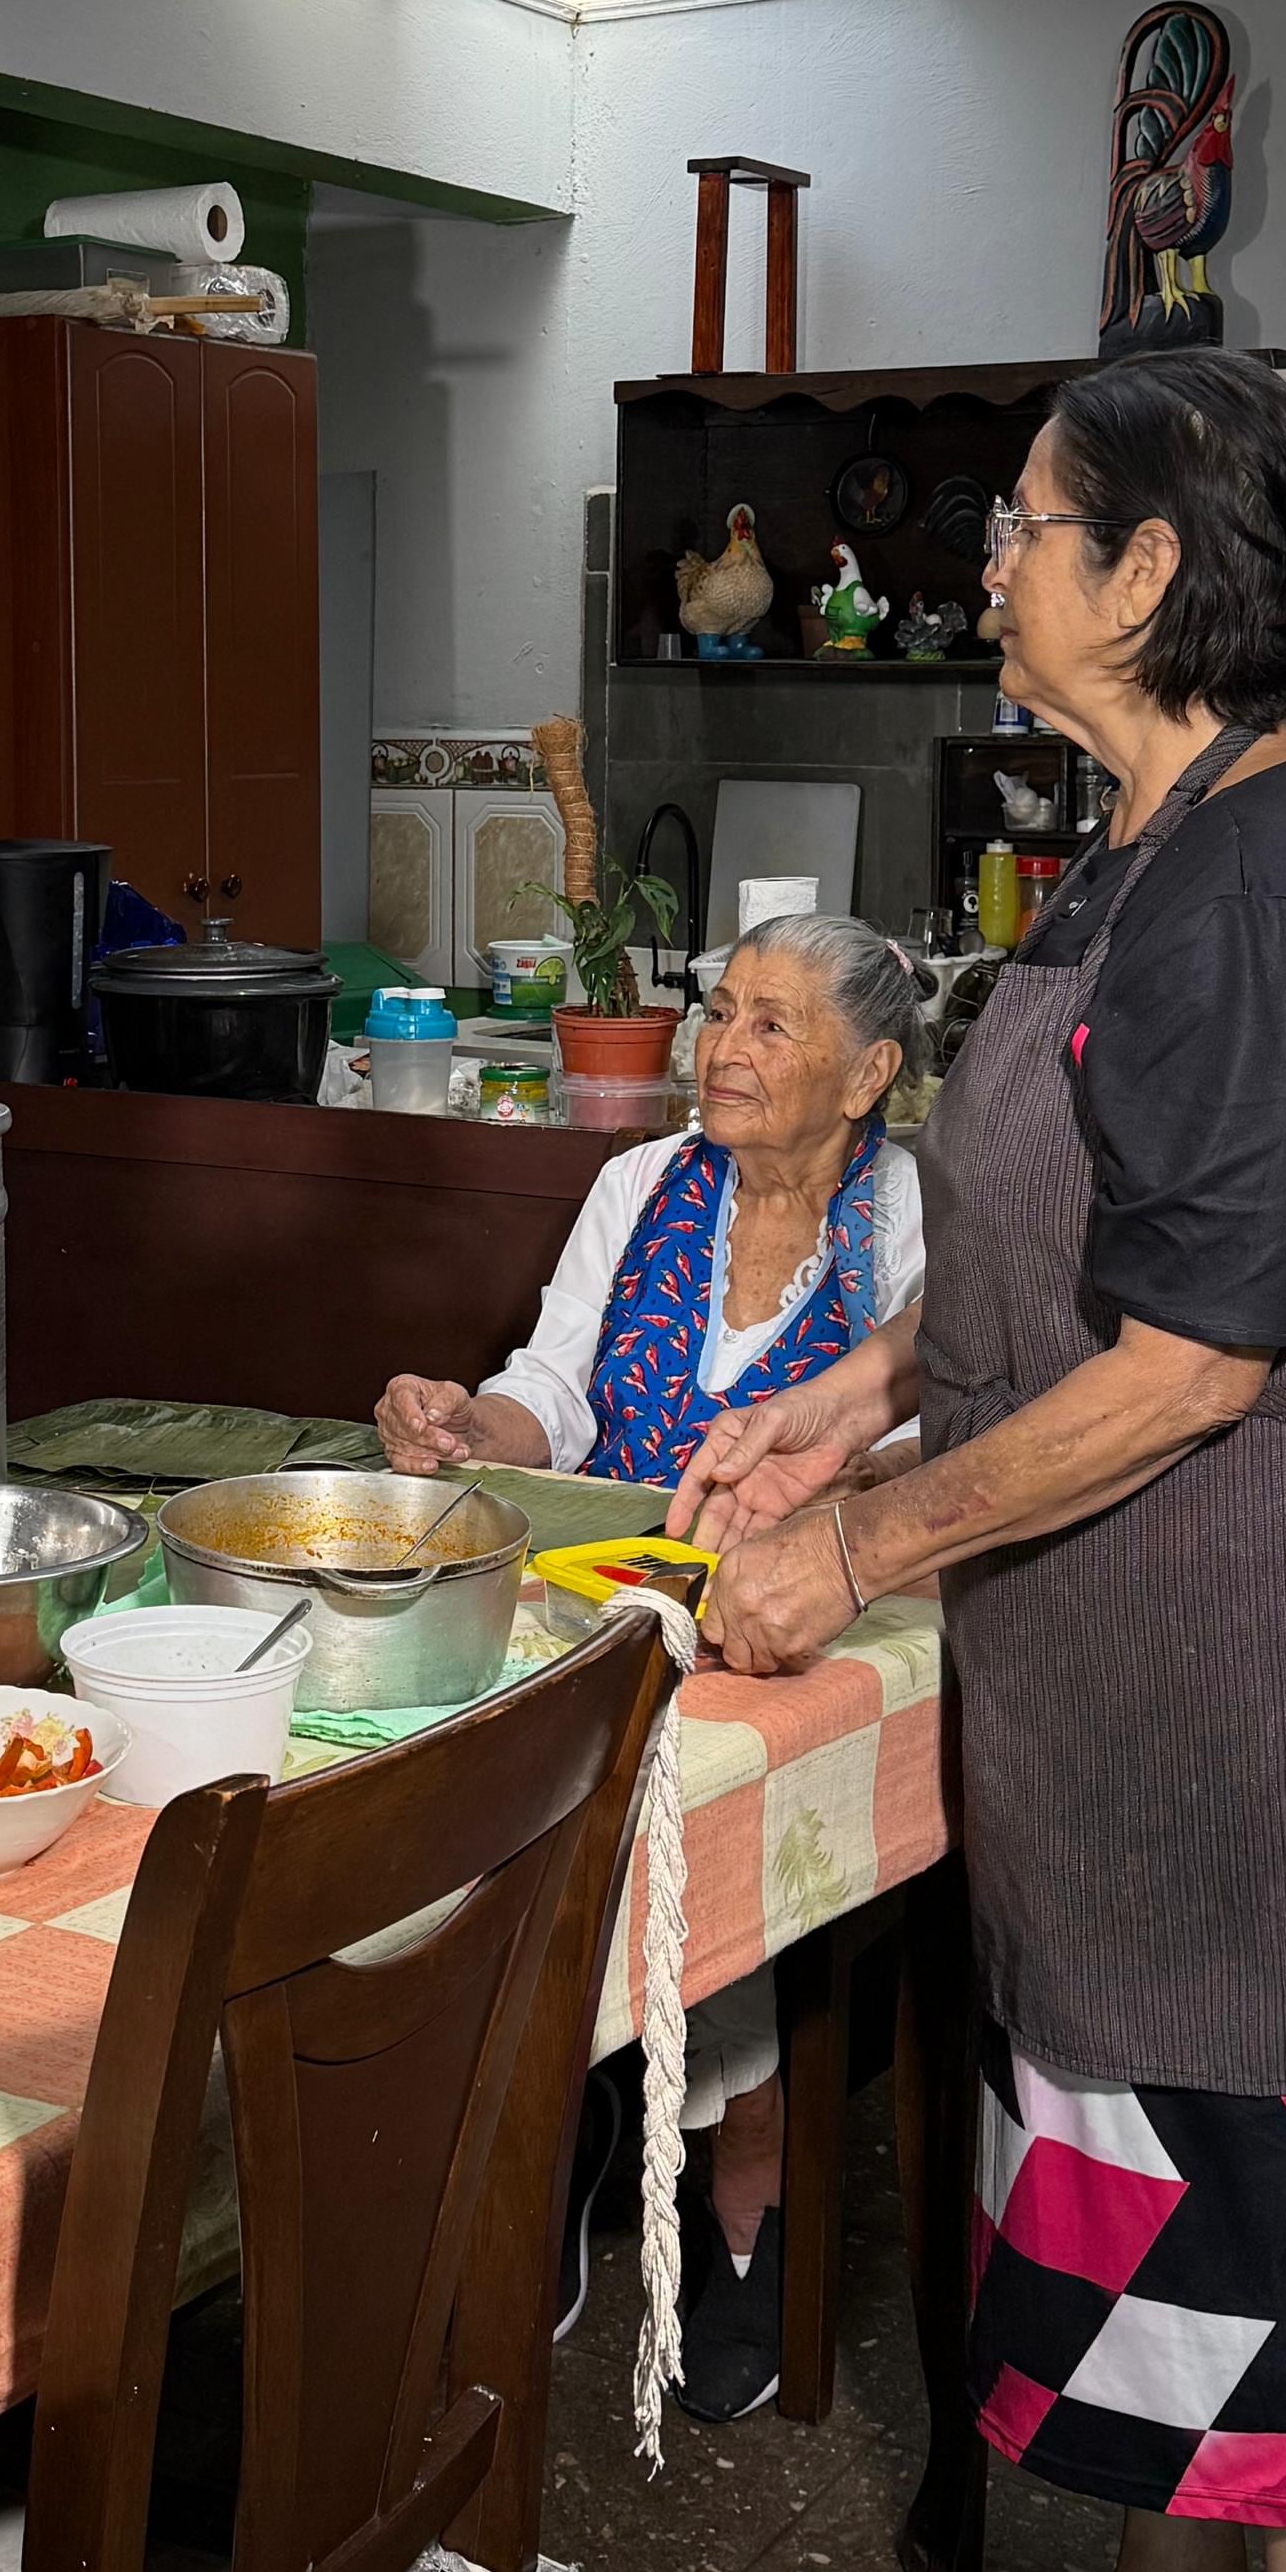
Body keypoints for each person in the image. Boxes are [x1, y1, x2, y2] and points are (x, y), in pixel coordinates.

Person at [668, 351, 1286, 2572]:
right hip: (1140, 1600)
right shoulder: (1155, 831)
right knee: (1142, 2098)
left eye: (1026, 524)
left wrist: (863, 1542)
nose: (988, 563)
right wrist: (854, 1390)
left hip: (1283, 1597)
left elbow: (1199, 1353)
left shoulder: (1268, 871)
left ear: (1147, 573)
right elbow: (1076, 1220)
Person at [375, 910, 927, 2418]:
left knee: (712, 1789)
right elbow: (552, 1390)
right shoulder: (642, 1183)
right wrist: (465, 1426)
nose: (722, 1047)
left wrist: (816, 1510)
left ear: (868, 1075)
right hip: (609, 1592)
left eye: (770, 1025)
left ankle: (747, 2139)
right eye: (719, 1010)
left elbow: (931, 1444)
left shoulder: (910, 1220)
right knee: (500, 1765)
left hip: (800, 1610)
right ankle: (561, 2108)